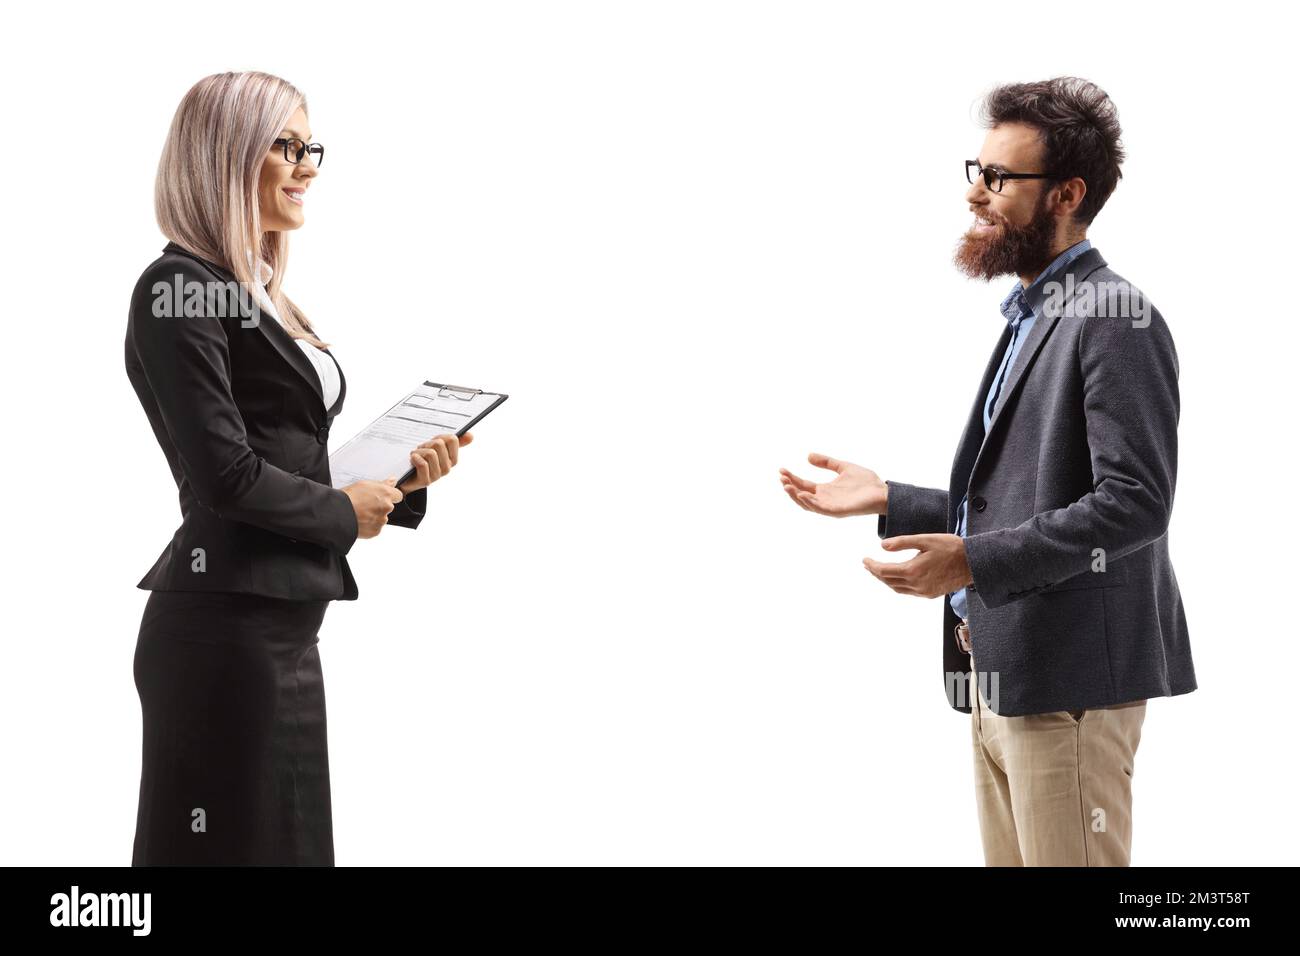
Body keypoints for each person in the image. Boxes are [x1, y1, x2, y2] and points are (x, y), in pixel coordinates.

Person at [779, 77, 1195, 866]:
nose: (976, 192)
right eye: (975, 168)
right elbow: (1033, 496)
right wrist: (895, 499)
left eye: (999, 178)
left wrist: (971, 559)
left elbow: (1136, 503)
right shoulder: (1039, 312)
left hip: (1067, 688)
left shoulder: (1115, 320)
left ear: (1066, 193)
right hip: (1004, 672)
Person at [125, 71, 473, 865]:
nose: (307, 164)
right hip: (222, 637)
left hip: (280, 632)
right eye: (285, 145)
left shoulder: (252, 294)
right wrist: (346, 512)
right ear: (226, 156)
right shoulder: (177, 289)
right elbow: (225, 475)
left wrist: (397, 485)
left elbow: (283, 454)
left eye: (308, 145)